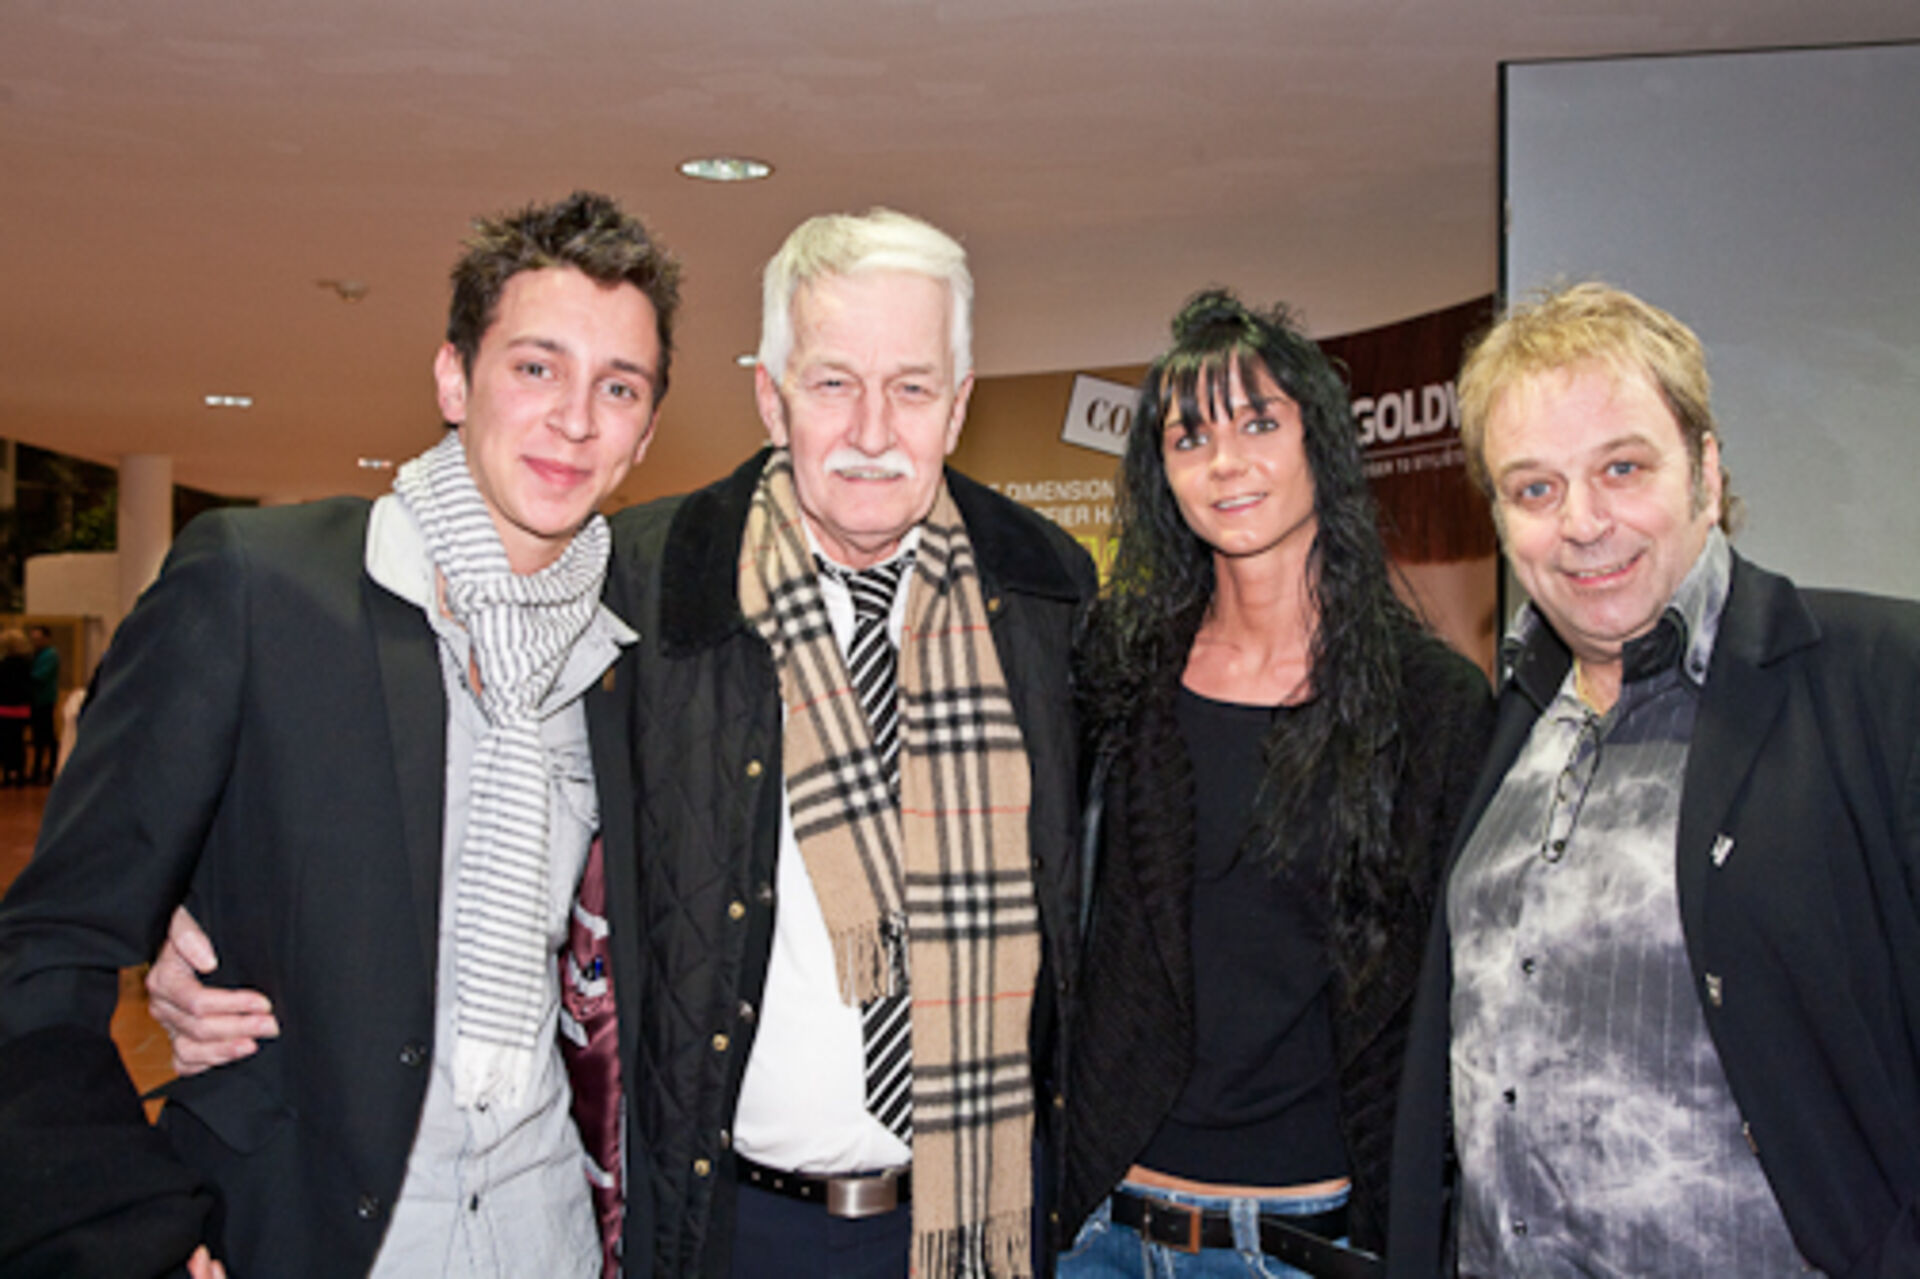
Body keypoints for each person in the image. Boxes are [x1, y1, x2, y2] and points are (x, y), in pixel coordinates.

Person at [0, 190, 679, 1279]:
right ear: (454, 378)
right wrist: (127, 1235)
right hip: (304, 1234)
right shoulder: (262, 589)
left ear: (644, 432)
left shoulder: (626, 662)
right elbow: (48, 948)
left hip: (544, 1232)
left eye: (620, 386)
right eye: (536, 367)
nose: (576, 419)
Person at [1386, 283, 1920, 1277]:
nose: (1583, 522)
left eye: (1622, 468)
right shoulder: (1511, 724)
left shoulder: (1880, 683)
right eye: (1535, 488)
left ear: (1706, 473)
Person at [608, 208, 1095, 1278]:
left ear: (958, 406)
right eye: (833, 383)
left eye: (912, 388)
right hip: (737, 1229)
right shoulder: (647, 584)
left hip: (981, 1214)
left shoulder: (1048, 593)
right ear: (770, 396)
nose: (873, 431)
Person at [1057, 290, 1492, 1279]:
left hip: (1306, 1242)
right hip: (1103, 1233)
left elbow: (1461, 998)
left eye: (1259, 424)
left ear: (1319, 445)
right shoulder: (1117, 676)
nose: (1225, 461)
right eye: (1190, 437)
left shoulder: (1431, 704)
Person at [0, 629, 33, 785]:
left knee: (5, 742)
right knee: (19, 742)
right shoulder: (27, 664)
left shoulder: (3, 664)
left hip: (4, 707)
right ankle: (20, 774)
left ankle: (7, 774)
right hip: (22, 708)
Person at [26, 623, 58, 783]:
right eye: (33, 639)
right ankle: (37, 769)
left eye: (38, 638)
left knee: (46, 736)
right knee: (37, 737)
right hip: (34, 700)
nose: (36, 642)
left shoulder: (50, 655)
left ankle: (49, 768)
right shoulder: (34, 654)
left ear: (46, 638)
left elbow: (40, 676)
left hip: (45, 700)